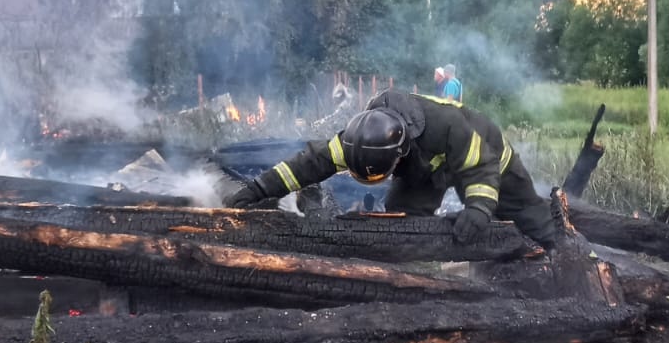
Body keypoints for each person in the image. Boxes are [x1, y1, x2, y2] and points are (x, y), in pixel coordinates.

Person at [224, 87, 556, 248]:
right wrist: (257, 189)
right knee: (403, 223)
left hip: (486, 154)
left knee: (525, 211)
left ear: (398, 151)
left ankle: (555, 249)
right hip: (424, 169)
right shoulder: (360, 138)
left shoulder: (450, 126)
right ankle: (418, 276)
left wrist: (480, 209)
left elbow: (480, 169)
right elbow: (307, 165)